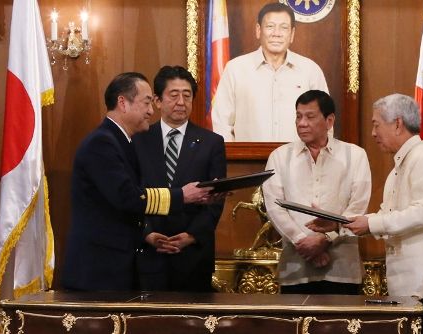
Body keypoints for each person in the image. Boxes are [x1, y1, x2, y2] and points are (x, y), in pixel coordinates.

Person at [329, 94, 423, 334]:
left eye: (376, 124)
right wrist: (336, 225)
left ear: (397, 123)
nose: (373, 133)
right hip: (414, 285)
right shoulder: (400, 166)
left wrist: (372, 224)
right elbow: (386, 217)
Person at [61, 72, 211, 291]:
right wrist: (182, 196)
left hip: (116, 267)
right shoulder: (102, 143)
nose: (151, 111)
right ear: (123, 102)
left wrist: (146, 234)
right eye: (147, 102)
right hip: (98, 272)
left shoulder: (121, 141)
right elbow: (128, 197)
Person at [262, 90, 371, 294]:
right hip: (296, 267)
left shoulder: (355, 155)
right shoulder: (279, 157)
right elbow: (274, 207)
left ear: (329, 121)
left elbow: (358, 205)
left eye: (310, 116)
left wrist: (325, 238)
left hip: (341, 269)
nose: (302, 123)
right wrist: (304, 242)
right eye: (298, 116)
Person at [134, 66, 227, 292]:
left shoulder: (211, 142)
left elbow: (216, 200)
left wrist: (192, 235)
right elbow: (132, 193)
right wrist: (146, 233)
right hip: (148, 252)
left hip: (193, 255)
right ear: (157, 100)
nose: (181, 102)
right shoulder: (138, 139)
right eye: (173, 95)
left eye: (187, 95)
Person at [212, 2, 328, 142]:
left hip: (299, 161)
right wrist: (232, 160)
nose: (276, 34)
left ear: (292, 34)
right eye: (270, 26)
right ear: (258, 30)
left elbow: (325, 122)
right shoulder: (235, 69)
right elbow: (222, 123)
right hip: (247, 161)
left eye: (284, 28)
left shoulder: (310, 71)